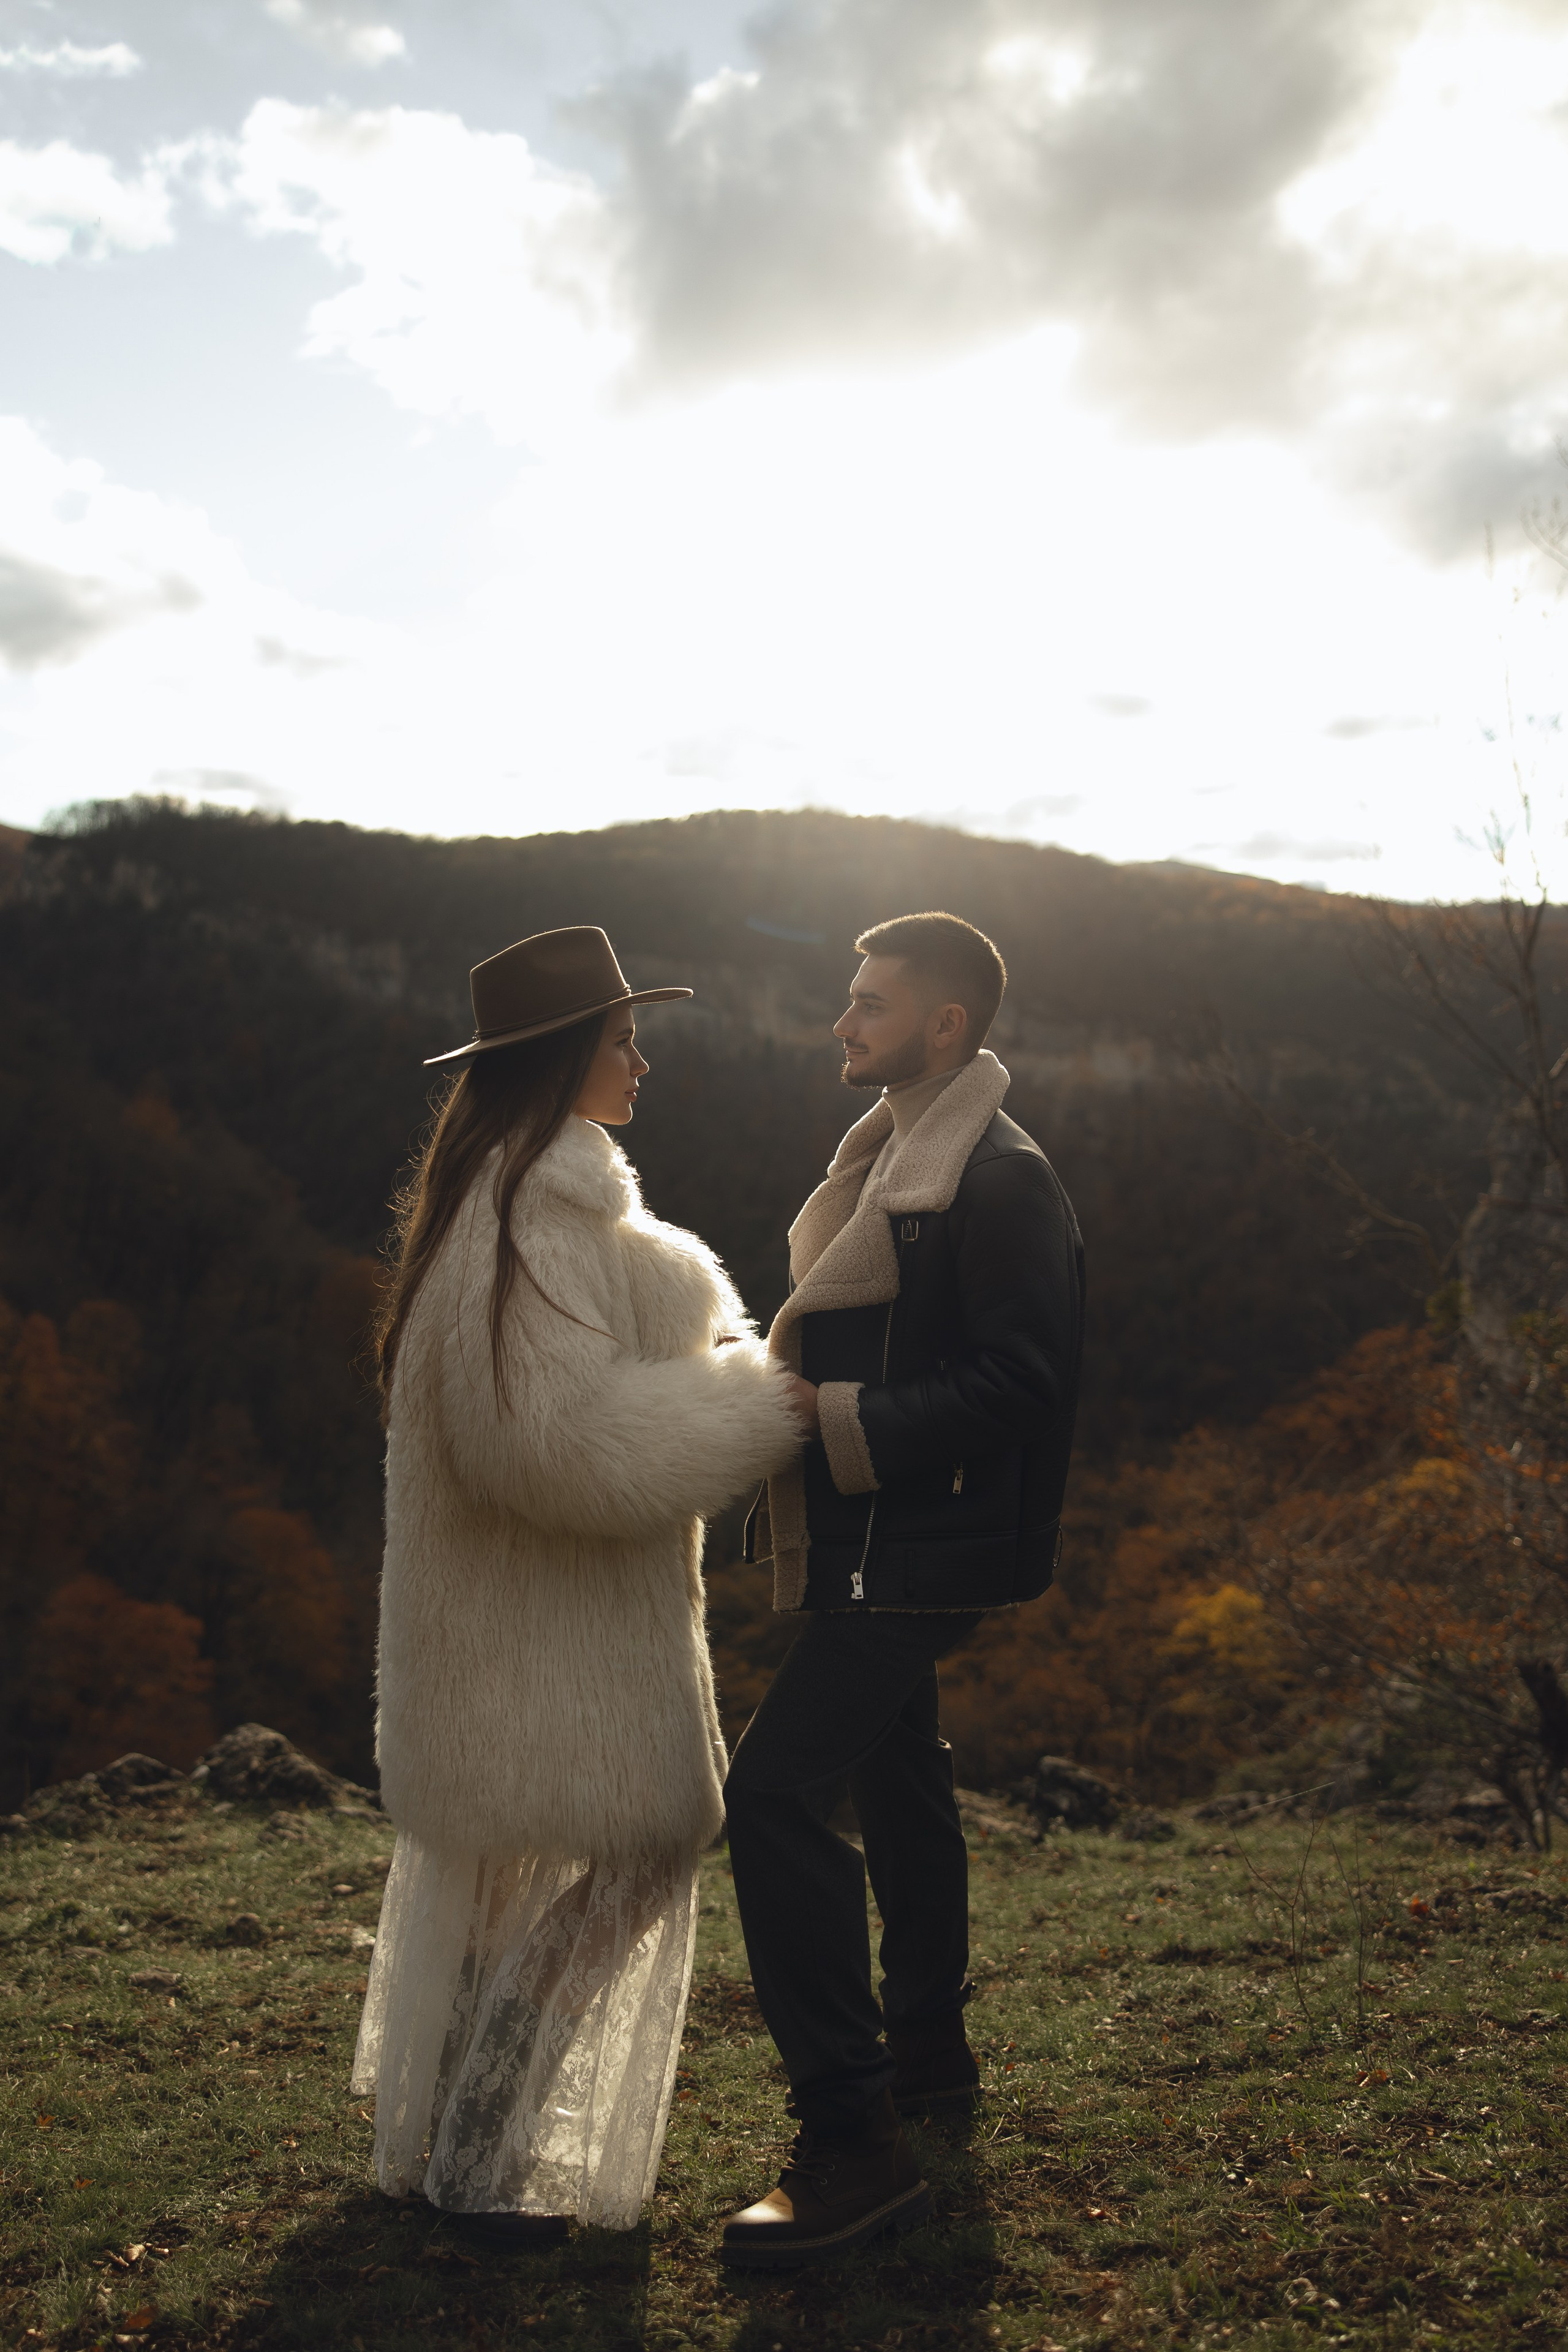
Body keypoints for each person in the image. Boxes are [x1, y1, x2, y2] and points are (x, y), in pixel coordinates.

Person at [352, 925, 807, 2247]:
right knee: (639, 1849)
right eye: (621, 1039)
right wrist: (754, 1405)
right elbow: (553, 1442)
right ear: (564, 1058)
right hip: (534, 1641)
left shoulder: (521, 1196)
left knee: (539, 1884)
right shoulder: (526, 1213)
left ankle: (463, 2142)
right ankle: (487, 2146)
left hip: (523, 1631)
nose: (643, 1059)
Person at [721, 911, 1084, 2268]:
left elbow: (1023, 1384)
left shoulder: (997, 1178)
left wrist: (840, 1415)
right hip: (884, 1536)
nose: (842, 1021)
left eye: (870, 1005)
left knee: (766, 1794)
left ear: (944, 1026)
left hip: (926, 1545)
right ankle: (925, 2052)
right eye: (846, 998)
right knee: (896, 1778)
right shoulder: (891, 1157)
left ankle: (850, 2140)